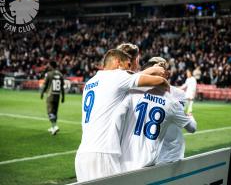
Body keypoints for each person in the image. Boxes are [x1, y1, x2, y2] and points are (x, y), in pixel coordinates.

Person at [75, 49, 170, 182]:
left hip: (82, 155)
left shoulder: (90, 82)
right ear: (118, 63)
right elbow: (156, 81)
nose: (130, 69)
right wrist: (161, 77)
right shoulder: (118, 76)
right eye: (128, 65)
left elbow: (130, 79)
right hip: (104, 153)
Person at [115, 59, 197, 172]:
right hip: (149, 162)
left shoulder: (132, 92)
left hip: (125, 159)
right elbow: (192, 128)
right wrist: (190, 116)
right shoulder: (172, 102)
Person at [40, 61, 64, 135]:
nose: (48, 66)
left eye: (49, 65)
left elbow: (45, 85)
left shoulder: (49, 74)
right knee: (55, 112)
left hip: (50, 95)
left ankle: (55, 126)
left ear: (51, 66)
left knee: (50, 112)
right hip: (57, 95)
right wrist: (63, 96)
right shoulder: (60, 74)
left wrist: (41, 93)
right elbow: (62, 87)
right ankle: (53, 128)